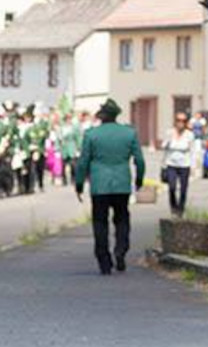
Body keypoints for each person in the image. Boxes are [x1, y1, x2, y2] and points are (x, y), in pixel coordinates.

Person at [74, 98, 145, 275]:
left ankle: (103, 260)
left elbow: (83, 162)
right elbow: (139, 160)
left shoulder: (91, 134)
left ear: (102, 116)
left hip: (99, 184)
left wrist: (79, 183)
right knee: (122, 219)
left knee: (100, 222)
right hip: (121, 183)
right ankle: (121, 250)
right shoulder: (129, 133)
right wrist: (139, 180)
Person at [161, 110, 194, 217]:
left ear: (186, 122)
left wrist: (193, 167)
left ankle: (181, 209)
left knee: (183, 188)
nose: (180, 123)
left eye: (183, 120)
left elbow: (192, 151)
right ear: (175, 121)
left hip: (185, 164)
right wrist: (169, 140)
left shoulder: (189, 134)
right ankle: (173, 207)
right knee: (172, 187)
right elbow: (163, 146)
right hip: (171, 164)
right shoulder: (169, 132)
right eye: (178, 120)